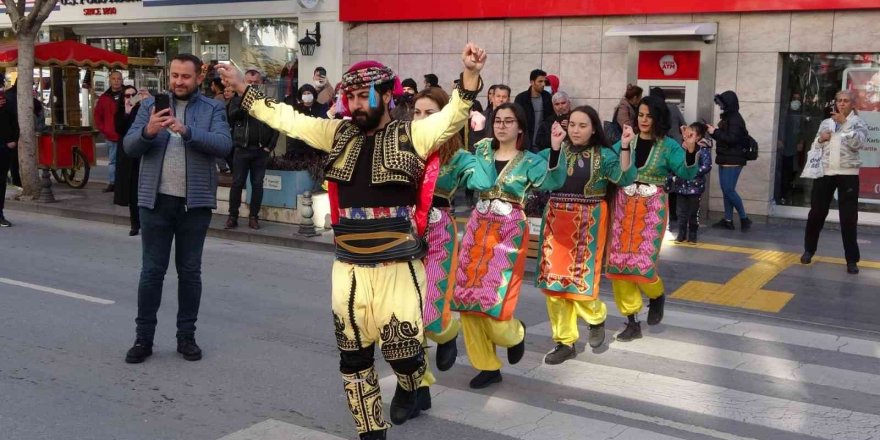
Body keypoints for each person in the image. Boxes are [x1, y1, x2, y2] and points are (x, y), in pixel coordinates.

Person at [218, 44, 486, 440]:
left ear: (386, 96)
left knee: (403, 352)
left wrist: (468, 76)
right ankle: (370, 432)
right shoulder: (336, 132)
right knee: (354, 357)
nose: (357, 104)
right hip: (348, 268)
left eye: (365, 96)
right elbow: (288, 119)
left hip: (399, 265)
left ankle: (416, 385)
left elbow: (454, 114)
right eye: (353, 97)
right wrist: (244, 88)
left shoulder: (413, 134)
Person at [122, 54, 233, 365]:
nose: (179, 82)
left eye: (185, 76)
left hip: (193, 205)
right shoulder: (148, 106)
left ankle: (186, 337)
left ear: (198, 78)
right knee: (152, 273)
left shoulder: (213, 108)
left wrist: (186, 132)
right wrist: (149, 132)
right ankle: (143, 339)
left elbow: (224, 145)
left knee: (189, 273)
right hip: (155, 203)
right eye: (174, 75)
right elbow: (129, 147)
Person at [451, 102, 565, 389]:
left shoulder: (530, 161)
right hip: (478, 227)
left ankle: (515, 333)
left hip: (509, 231)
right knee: (466, 300)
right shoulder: (482, 152)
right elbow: (459, 171)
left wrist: (554, 149)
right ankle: (487, 366)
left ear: (520, 128)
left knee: (493, 301)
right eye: (498, 120)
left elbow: (553, 179)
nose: (501, 125)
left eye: (509, 121)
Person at [410, 87, 491, 411]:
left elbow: (484, 182)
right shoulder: (403, 148)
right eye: (417, 113)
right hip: (403, 238)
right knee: (407, 321)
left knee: (430, 317)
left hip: (439, 235)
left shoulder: (459, 158)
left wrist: (481, 138)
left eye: (430, 113)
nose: (421, 119)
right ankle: (418, 387)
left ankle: (449, 331)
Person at [536, 106, 634, 364]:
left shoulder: (605, 155)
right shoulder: (555, 150)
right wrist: (555, 149)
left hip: (588, 222)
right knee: (555, 285)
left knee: (579, 282)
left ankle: (596, 316)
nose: (576, 130)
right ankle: (564, 341)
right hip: (556, 221)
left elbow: (624, 177)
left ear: (593, 129)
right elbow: (542, 180)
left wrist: (625, 147)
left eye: (582, 125)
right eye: (572, 125)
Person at [605, 96, 698, 342]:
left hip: (652, 208)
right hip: (624, 207)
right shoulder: (627, 141)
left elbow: (687, 172)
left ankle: (656, 295)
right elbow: (608, 163)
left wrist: (690, 150)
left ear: (658, 118)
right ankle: (632, 320)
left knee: (642, 264)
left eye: (649, 115)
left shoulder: (669, 146)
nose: (644, 120)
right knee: (618, 263)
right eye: (641, 115)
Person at [801, 90, 868, 275]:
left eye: (846, 101)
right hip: (825, 173)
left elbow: (859, 144)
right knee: (816, 213)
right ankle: (809, 250)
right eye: (839, 101)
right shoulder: (826, 122)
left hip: (848, 174)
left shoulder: (858, 122)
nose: (842, 104)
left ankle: (852, 260)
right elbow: (816, 145)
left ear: (852, 104)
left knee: (848, 218)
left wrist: (845, 123)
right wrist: (821, 139)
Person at [225, 69, 280, 230]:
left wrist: (269, 146)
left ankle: (254, 217)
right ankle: (232, 216)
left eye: (256, 82)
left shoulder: (267, 101)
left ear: (261, 83)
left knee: (257, 184)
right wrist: (246, 103)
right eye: (249, 82)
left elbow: (276, 125)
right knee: (237, 183)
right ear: (244, 82)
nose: (253, 85)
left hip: (260, 151)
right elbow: (232, 118)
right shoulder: (236, 100)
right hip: (242, 149)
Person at [709, 91, 752, 231]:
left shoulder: (735, 119)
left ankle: (744, 218)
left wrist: (714, 132)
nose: (721, 106)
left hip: (733, 159)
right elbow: (725, 138)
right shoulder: (730, 117)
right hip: (727, 157)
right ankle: (728, 220)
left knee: (728, 190)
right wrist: (713, 132)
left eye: (722, 103)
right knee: (727, 190)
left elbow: (732, 139)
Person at [670, 122, 713, 244]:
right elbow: (675, 163)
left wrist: (692, 172)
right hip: (680, 186)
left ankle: (692, 234)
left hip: (695, 187)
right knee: (681, 212)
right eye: (686, 133)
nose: (687, 136)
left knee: (693, 212)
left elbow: (707, 166)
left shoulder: (703, 150)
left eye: (691, 134)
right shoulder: (680, 149)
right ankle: (681, 233)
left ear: (698, 137)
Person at [113, 85, 143, 236]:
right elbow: (119, 129)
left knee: (141, 189)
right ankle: (135, 223)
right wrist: (126, 112)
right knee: (131, 191)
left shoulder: (142, 110)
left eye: (133, 95)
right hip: (126, 154)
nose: (130, 98)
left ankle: (144, 222)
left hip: (141, 153)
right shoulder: (121, 112)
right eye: (127, 95)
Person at [95, 70, 125, 193]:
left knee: (127, 161)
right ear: (110, 80)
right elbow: (98, 116)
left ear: (122, 80)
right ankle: (113, 183)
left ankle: (125, 183)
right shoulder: (104, 98)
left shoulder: (129, 94)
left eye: (118, 79)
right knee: (113, 161)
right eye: (114, 79)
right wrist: (104, 129)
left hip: (127, 134)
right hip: (111, 135)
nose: (116, 81)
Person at [514, 68, 553, 146]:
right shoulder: (521, 98)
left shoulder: (547, 97)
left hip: (543, 143)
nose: (543, 84)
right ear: (532, 82)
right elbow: (516, 120)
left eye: (544, 81)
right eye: (540, 81)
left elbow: (550, 118)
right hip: (525, 143)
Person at [0, 90, 18, 227]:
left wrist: (13, 140)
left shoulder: (7, 103)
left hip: (4, 147)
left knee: (1, 182)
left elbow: (14, 122)